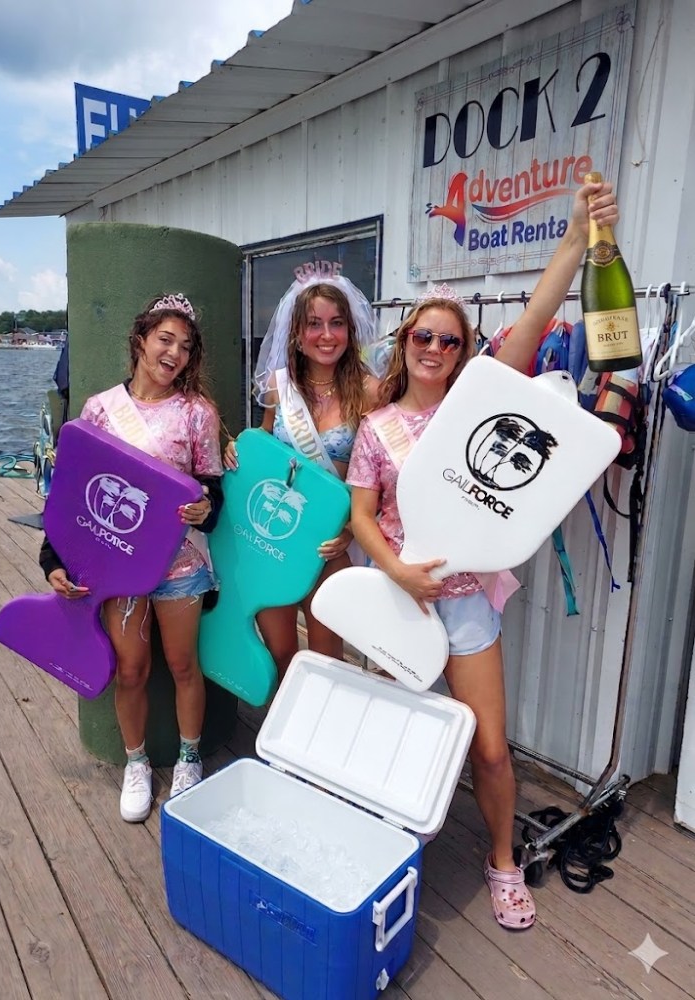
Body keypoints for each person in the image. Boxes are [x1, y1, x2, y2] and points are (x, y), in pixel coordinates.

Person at [346, 180, 619, 930]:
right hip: (396, 598)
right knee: (401, 734)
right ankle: (391, 847)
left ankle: (502, 861)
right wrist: (396, 570)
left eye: (449, 339)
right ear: (404, 343)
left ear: (466, 351)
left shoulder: (484, 402)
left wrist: (574, 239)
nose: (434, 348)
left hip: (466, 604)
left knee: (491, 750)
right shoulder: (376, 429)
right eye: (421, 337)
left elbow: (532, 322)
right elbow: (361, 514)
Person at [39, 293, 224, 823]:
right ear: (140, 340)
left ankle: (189, 760)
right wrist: (53, 556)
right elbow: (71, 493)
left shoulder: (198, 413)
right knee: (131, 670)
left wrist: (204, 509)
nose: (174, 353)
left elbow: (211, 489)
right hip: (118, 563)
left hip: (180, 565)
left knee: (185, 665)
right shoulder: (100, 408)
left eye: (186, 346)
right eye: (165, 339)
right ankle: (136, 762)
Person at [224, 272, 381, 678]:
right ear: (296, 333)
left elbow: (380, 471)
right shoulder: (281, 387)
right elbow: (265, 441)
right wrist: (236, 449)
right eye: (314, 323)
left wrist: (351, 530)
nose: (326, 335)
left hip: (328, 541)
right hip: (274, 535)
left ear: (349, 329)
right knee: (282, 653)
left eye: (336, 323)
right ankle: (284, 732)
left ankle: (324, 733)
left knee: (327, 658)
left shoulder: (370, 391)